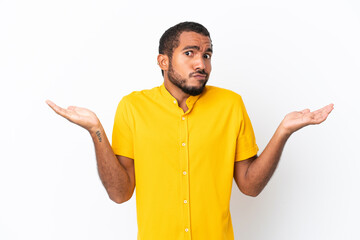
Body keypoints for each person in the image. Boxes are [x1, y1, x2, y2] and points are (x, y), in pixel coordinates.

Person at [46, 22, 333, 240]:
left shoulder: (230, 104)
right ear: (163, 61)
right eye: (190, 53)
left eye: (207, 54)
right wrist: (96, 131)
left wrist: (283, 131)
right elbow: (120, 193)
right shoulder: (132, 107)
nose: (201, 63)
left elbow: (250, 186)